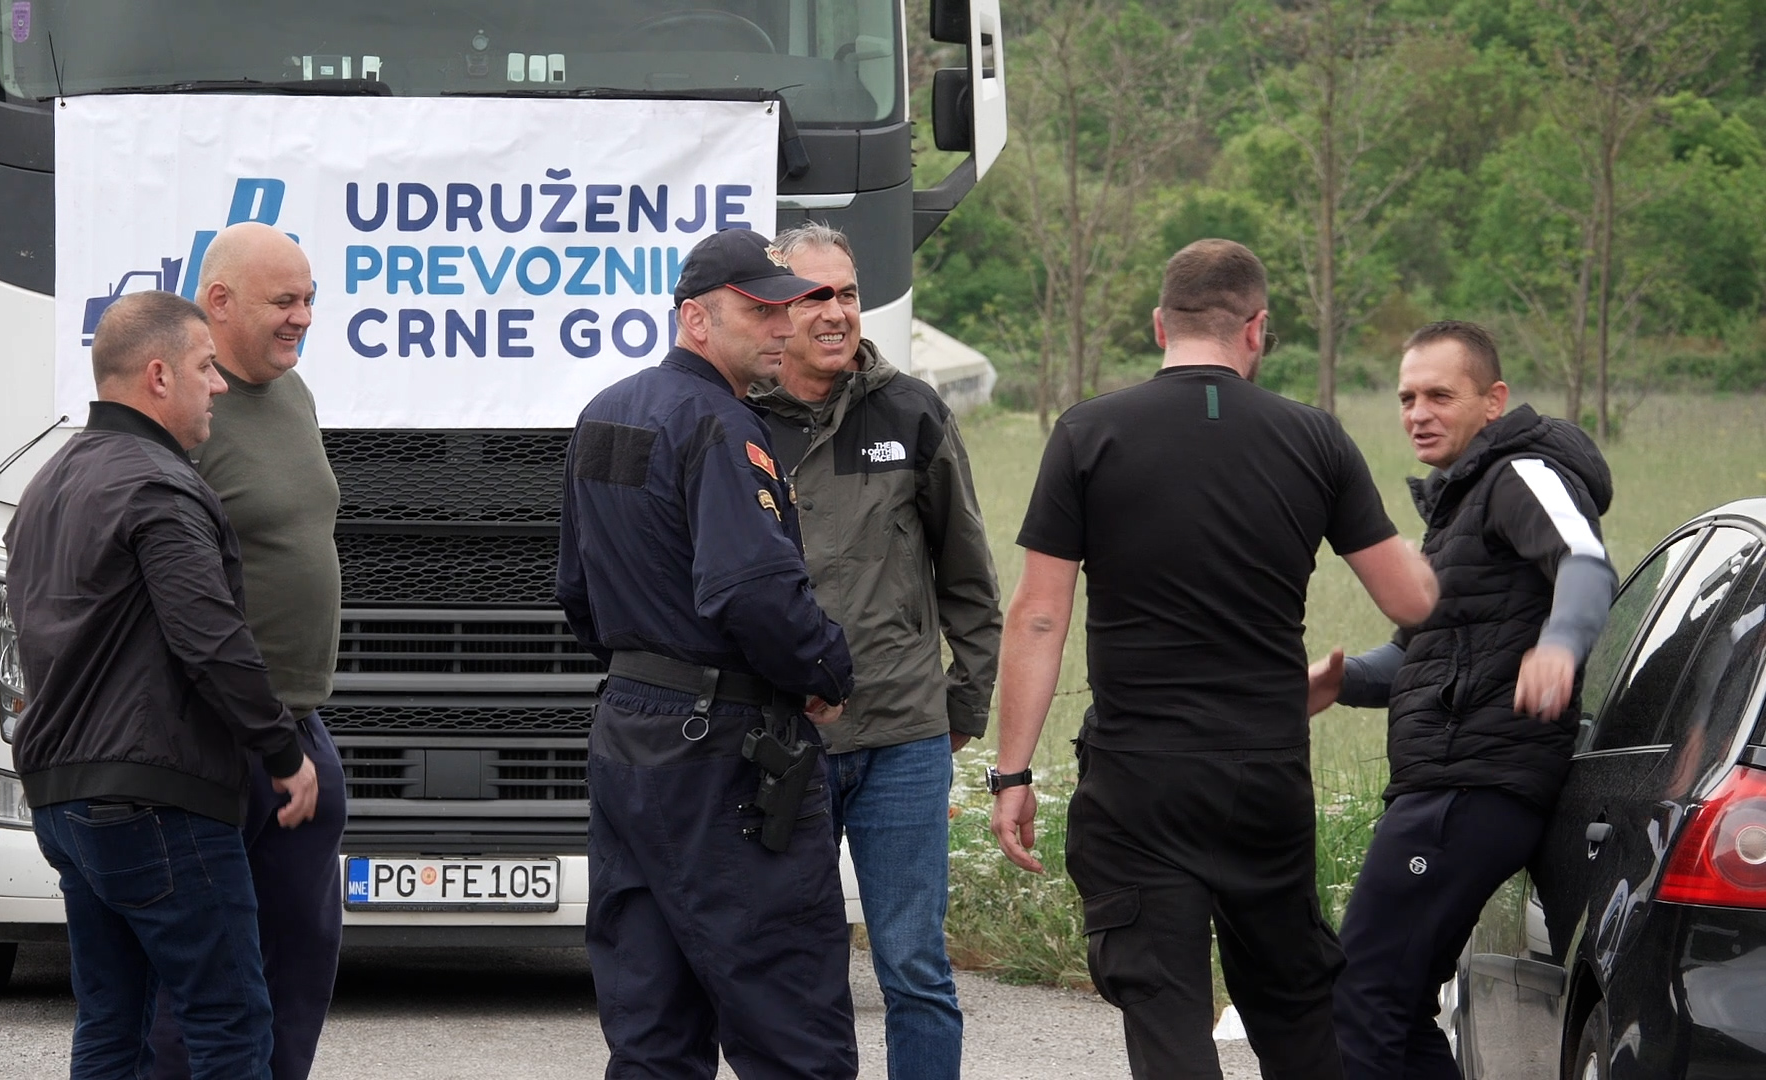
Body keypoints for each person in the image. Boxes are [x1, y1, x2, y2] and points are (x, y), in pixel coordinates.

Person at [990, 239, 1438, 1080]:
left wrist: (1011, 773)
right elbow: (1410, 602)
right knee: (1295, 1009)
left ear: (1161, 324)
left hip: (1138, 776)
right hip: (1264, 773)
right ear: (1257, 328)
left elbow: (1039, 615)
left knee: (1167, 1016)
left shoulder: (1088, 432)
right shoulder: (1315, 437)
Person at [555, 228, 861, 1079]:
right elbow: (754, 591)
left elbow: (578, 588)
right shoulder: (723, 427)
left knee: (653, 1035)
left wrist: (649, 665)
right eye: (759, 311)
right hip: (725, 748)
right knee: (792, 1032)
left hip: (631, 735)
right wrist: (825, 671)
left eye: (785, 308)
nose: (782, 326)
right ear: (696, 318)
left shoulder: (606, 411)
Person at [5, 290, 320, 1080]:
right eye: (205, 367)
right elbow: (211, 640)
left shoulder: (49, 482)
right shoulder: (160, 487)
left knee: (112, 1024)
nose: (218, 385)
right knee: (230, 1022)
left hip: (62, 798)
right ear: (157, 376)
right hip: (156, 798)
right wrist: (284, 752)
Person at [1310, 320, 1614, 1080]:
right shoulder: (1460, 508)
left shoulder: (1521, 473)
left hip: (1469, 786)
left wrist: (1560, 644)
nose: (1418, 413)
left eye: (1440, 396)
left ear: (1493, 400)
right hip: (1450, 782)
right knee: (1398, 1005)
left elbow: (1584, 561)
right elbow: (1414, 657)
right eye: (1407, 397)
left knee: (1361, 998)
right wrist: (1340, 681)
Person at [750, 223, 1002, 1080]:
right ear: (776, 309)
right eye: (814, 295)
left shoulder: (913, 411)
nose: (836, 312)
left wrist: (962, 706)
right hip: (783, 740)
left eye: (848, 293)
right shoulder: (735, 418)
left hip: (903, 738)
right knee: (793, 967)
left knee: (915, 969)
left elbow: (969, 579)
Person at [144, 223, 349, 1080]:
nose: (304, 317)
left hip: (300, 727)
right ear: (219, 302)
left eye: (310, 299)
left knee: (300, 959)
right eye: (285, 301)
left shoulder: (292, 394)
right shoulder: (183, 414)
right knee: (206, 982)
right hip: (219, 733)